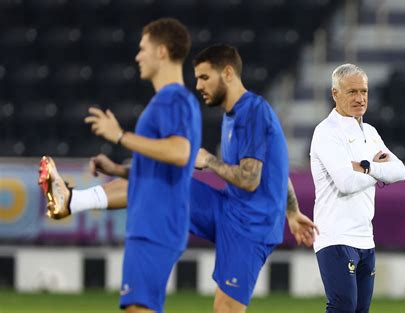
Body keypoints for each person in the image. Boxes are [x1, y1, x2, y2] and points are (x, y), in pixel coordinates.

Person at [39, 44, 315, 313]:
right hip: (227, 209)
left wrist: (208, 161)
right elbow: (275, 168)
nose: (198, 86)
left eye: (205, 77)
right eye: (196, 79)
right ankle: (73, 200)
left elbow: (251, 179)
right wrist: (292, 212)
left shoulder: (253, 112)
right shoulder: (233, 116)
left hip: (252, 227)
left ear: (228, 73)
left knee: (225, 310)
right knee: (158, 177)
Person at [39, 18, 201, 313]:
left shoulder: (171, 99)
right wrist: (117, 169)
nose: (138, 56)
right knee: (138, 308)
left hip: (156, 224)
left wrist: (120, 136)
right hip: (155, 223)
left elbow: (180, 153)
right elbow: (166, 167)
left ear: (162, 51)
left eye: (143, 49)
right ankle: (72, 201)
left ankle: (72, 201)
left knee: (138, 309)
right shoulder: (171, 100)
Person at [309, 63, 405, 313]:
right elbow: (346, 183)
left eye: (363, 91)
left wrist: (366, 167)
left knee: (360, 310)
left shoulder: (370, 133)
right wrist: (378, 170)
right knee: (343, 308)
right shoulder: (326, 132)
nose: (360, 98)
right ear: (335, 94)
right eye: (352, 92)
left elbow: (400, 172)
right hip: (335, 235)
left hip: (365, 236)